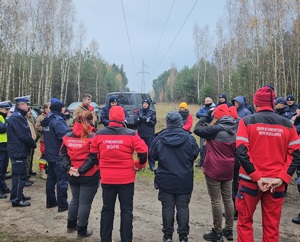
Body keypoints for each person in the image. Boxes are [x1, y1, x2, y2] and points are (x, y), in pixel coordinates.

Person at [235, 86, 300, 241]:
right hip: (276, 184)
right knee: (272, 227)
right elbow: (296, 154)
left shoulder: (246, 121)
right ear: (272, 103)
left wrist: (257, 177)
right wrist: (282, 178)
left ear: (256, 103)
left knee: (244, 223)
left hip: (249, 182)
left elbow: (242, 152)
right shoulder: (288, 125)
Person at [90, 105, 148, 242]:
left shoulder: (99, 134)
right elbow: (143, 153)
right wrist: (138, 165)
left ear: (110, 117)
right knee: (127, 211)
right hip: (126, 179)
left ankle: (105, 239)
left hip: (107, 179)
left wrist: (100, 166)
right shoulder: (131, 134)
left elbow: (92, 155)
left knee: (107, 210)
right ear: (123, 117)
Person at [150, 111, 199, 242]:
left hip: (166, 180)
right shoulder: (189, 139)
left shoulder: (160, 139)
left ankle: (168, 236)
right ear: (180, 122)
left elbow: (153, 155)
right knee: (183, 207)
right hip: (184, 179)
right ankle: (183, 236)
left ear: (167, 123)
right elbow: (195, 154)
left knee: (167, 207)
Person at [194, 104, 236, 242]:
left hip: (214, 169)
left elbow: (197, 129)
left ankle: (217, 232)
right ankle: (229, 230)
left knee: (216, 200)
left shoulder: (215, 129)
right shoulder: (236, 127)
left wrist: (206, 115)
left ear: (217, 116)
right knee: (228, 199)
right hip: (229, 168)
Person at [60, 112, 100, 239]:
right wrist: (81, 170)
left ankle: (71, 226)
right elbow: (93, 157)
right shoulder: (92, 137)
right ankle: (82, 230)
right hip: (89, 174)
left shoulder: (67, 136)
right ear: (90, 121)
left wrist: (69, 167)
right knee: (84, 202)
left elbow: (62, 154)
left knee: (75, 200)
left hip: (72, 174)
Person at [7, 96, 36, 207]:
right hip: (18, 151)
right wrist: (33, 144)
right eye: (26, 104)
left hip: (19, 150)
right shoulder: (17, 117)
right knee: (18, 176)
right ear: (20, 105)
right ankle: (16, 199)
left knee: (21, 175)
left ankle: (18, 194)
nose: (28, 106)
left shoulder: (19, 116)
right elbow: (24, 135)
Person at [41, 98, 69, 212]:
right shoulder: (57, 120)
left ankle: (51, 201)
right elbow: (64, 137)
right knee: (62, 179)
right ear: (60, 108)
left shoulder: (47, 118)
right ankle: (63, 204)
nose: (64, 109)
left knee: (51, 178)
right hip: (58, 154)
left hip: (49, 153)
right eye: (63, 107)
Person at [134, 99, 157, 170]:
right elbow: (135, 122)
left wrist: (147, 120)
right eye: (144, 103)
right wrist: (139, 119)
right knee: (140, 150)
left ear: (148, 105)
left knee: (150, 150)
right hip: (141, 134)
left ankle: (152, 165)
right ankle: (139, 165)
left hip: (149, 134)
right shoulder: (139, 112)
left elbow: (154, 122)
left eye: (146, 104)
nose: (145, 105)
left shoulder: (152, 112)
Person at [195, 97, 216, 167]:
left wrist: (204, 116)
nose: (206, 102)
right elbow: (197, 114)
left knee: (210, 146)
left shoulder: (214, 108)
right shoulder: (203, 108)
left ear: (211, 101)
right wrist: (207, 114)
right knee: (202, 147)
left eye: (208, 101)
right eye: (205, 101)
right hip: (203, 129)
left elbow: (212, 117)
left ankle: (210, 162)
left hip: (211, 129)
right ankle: (201, 161)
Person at [35, 102, 50, 180]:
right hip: (44, 139)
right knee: (44, 155)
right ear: (45, 109)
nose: (49, 109)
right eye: (48, 108)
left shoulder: (52, 116)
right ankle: (42, 171)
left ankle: (48, 169)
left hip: (51, 140)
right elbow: (37, 127)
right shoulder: (41, 117)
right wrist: (45, 129)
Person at [0, 101, 11, 199]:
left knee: (3, 168)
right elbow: (2, 129)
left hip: (5, 146)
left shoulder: (3, 118)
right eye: (6, 109)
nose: (7, 111)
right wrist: (8, 119)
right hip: (0, 146)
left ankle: (3, 187)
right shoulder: (1, 118)